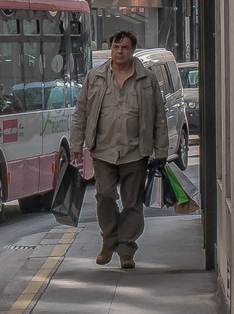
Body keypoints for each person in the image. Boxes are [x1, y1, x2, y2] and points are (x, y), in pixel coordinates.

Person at [69, 31, 168, 269]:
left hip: (136, 151)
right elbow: (81, 112)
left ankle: (126, 249)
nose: (119, 52)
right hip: (103, 150)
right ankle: (109, 241)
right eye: (116, 47)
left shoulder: (147, 79)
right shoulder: (95, 77)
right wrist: (76, 144)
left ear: (133, 50)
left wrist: (161, 150)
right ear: (110, 48)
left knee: (132, 202)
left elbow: (159, 116)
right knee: (104, 196)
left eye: (124, 47)